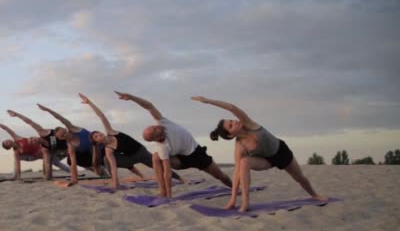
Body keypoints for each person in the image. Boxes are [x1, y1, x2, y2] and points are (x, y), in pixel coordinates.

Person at [191, 95, 328, 211]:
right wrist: (232, 200)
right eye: (231, 125)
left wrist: (208, 101)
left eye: (231, 120)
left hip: (281, 151)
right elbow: (237, 173)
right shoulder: (239, 146)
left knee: (299, 178)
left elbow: (232, 108)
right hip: (266, 160)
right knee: (243, 163)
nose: (234, 122)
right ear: (231, 135)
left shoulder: (249, 124)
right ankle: (245, 203)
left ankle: (314, 194)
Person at [115, 91, 232, 198]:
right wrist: (169, 196)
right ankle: (163, 192)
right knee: (156, 157)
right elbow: (167, 172)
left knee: (220, 175)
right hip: (181, 161)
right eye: (154, 130)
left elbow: (149, 106)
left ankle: (235, 188)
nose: (156, 126)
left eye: (153, 126)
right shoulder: (163, 147)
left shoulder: (164, 123)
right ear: (157, 138)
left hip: (197, 153)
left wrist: (131, 98)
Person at [78, 93, 185, 190]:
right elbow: (114, 167)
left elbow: (101, 116)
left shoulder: (110, 132)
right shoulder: (108, 149)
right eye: (96, 137)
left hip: (141, 152)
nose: (99, 134)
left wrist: (89, 103)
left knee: (160, 166)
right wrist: (115, 184)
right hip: (129, 159)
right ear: (97, 143)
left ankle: (180, 179)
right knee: (107, 159)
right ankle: (115, 182)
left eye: (98, 133)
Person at [35, 103, 109, 185]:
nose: (65, 135)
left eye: (64, 132)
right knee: (71, 159)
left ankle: (105, 165)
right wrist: (74, 179)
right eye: (62, 136)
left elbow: (60, 118)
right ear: (61, 139)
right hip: (94, 156)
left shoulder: (73, 129)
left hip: (103, 148)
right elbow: (73, 164)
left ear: (65, 129)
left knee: (107, 157)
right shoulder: (70, 145)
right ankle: (100, 170)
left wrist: (48, 110)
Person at [0, 119, 69, 180]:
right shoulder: (16, 152)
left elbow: (6, 128)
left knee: (56, 163)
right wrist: (19, 177)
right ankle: (16, 175)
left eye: (6, 141)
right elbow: (18, 165)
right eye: (6, 144)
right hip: (32, 157)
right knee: (16, 159)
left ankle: (70, 171)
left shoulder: (17, 138)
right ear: (8, 147)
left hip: (41, 151)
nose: (7, 141)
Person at [6, 110, 69, 180]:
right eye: (32, 142)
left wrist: (17, 115)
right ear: (35, 144)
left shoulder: (43, 132)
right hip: (63, 150)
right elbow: (47, 163)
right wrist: (47, 177)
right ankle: (52, 174)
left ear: (34, 136)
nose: (33, 140)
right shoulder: (45, 149)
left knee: (55, 161)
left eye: (32, 138)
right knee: (52, 163)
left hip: (70, 140)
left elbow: (29, 122)